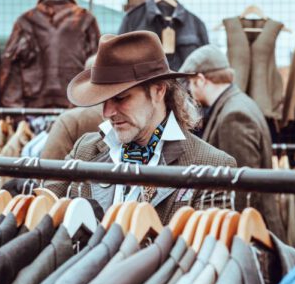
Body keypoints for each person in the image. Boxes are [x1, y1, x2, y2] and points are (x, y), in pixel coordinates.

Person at [47, 31, 236, 224]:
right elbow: (42, 210)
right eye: (103, 101)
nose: (107, 112)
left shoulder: (211, 166)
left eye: (120, 98)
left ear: (158, 91)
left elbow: (205, 250)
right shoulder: (85, 150)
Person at [179, 44, 285, 240]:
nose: (190, 90)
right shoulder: (238, 103)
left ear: (201, 80)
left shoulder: (233, 116)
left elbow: (242, 191)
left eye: (191, 82)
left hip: (249, 234)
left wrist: (232, 240)